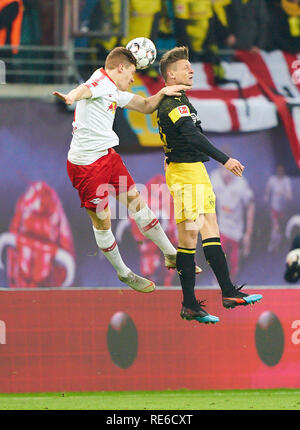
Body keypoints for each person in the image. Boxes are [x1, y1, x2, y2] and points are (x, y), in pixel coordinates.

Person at [53, 46, 195, 293]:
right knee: (103, 221)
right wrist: (71, 97)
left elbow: (145, 106)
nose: (132, 79)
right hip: (86, 166)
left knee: (138, 204)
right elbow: (85, 90)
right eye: (131, 73)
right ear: (120, 68)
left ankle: (171, 253)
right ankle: (124, 273)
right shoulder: (99, 82)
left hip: (108, 156)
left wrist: (164, 91)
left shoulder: (113, 89)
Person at [157, 46, 262, 323]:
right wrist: (225, 159)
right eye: (186, 67)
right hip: (186, 174)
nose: (191, 70)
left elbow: (189, 136)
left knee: (200, 234)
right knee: (198, 232)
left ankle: (207, 298)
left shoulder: (178, 100)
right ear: (171, 74)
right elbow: (191, 136)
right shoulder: (173, 103)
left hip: (191, 173)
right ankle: (212, 296)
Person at [210, 151, 255, 282]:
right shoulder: (214, 178)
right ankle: (216, 283)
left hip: (236, 231)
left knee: (234, 264)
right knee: (217, 258)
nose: (225, 173)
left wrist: (248, 234)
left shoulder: (241, 182)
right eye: (221, 168)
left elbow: (250, 205)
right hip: (221, 228)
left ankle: (231, 287)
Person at [264, 164, 293, 253]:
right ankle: (272, 245)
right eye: (278, 170)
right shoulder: (272, 180)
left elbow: (289, 196)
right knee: (275, 227)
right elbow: (267, 190)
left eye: (281, 170)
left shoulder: (286, 181)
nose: (280, 172)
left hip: (283, 209)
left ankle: (276, 244)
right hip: (274, 208)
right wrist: (266, 196)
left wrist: (283, 192)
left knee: (279, 229)